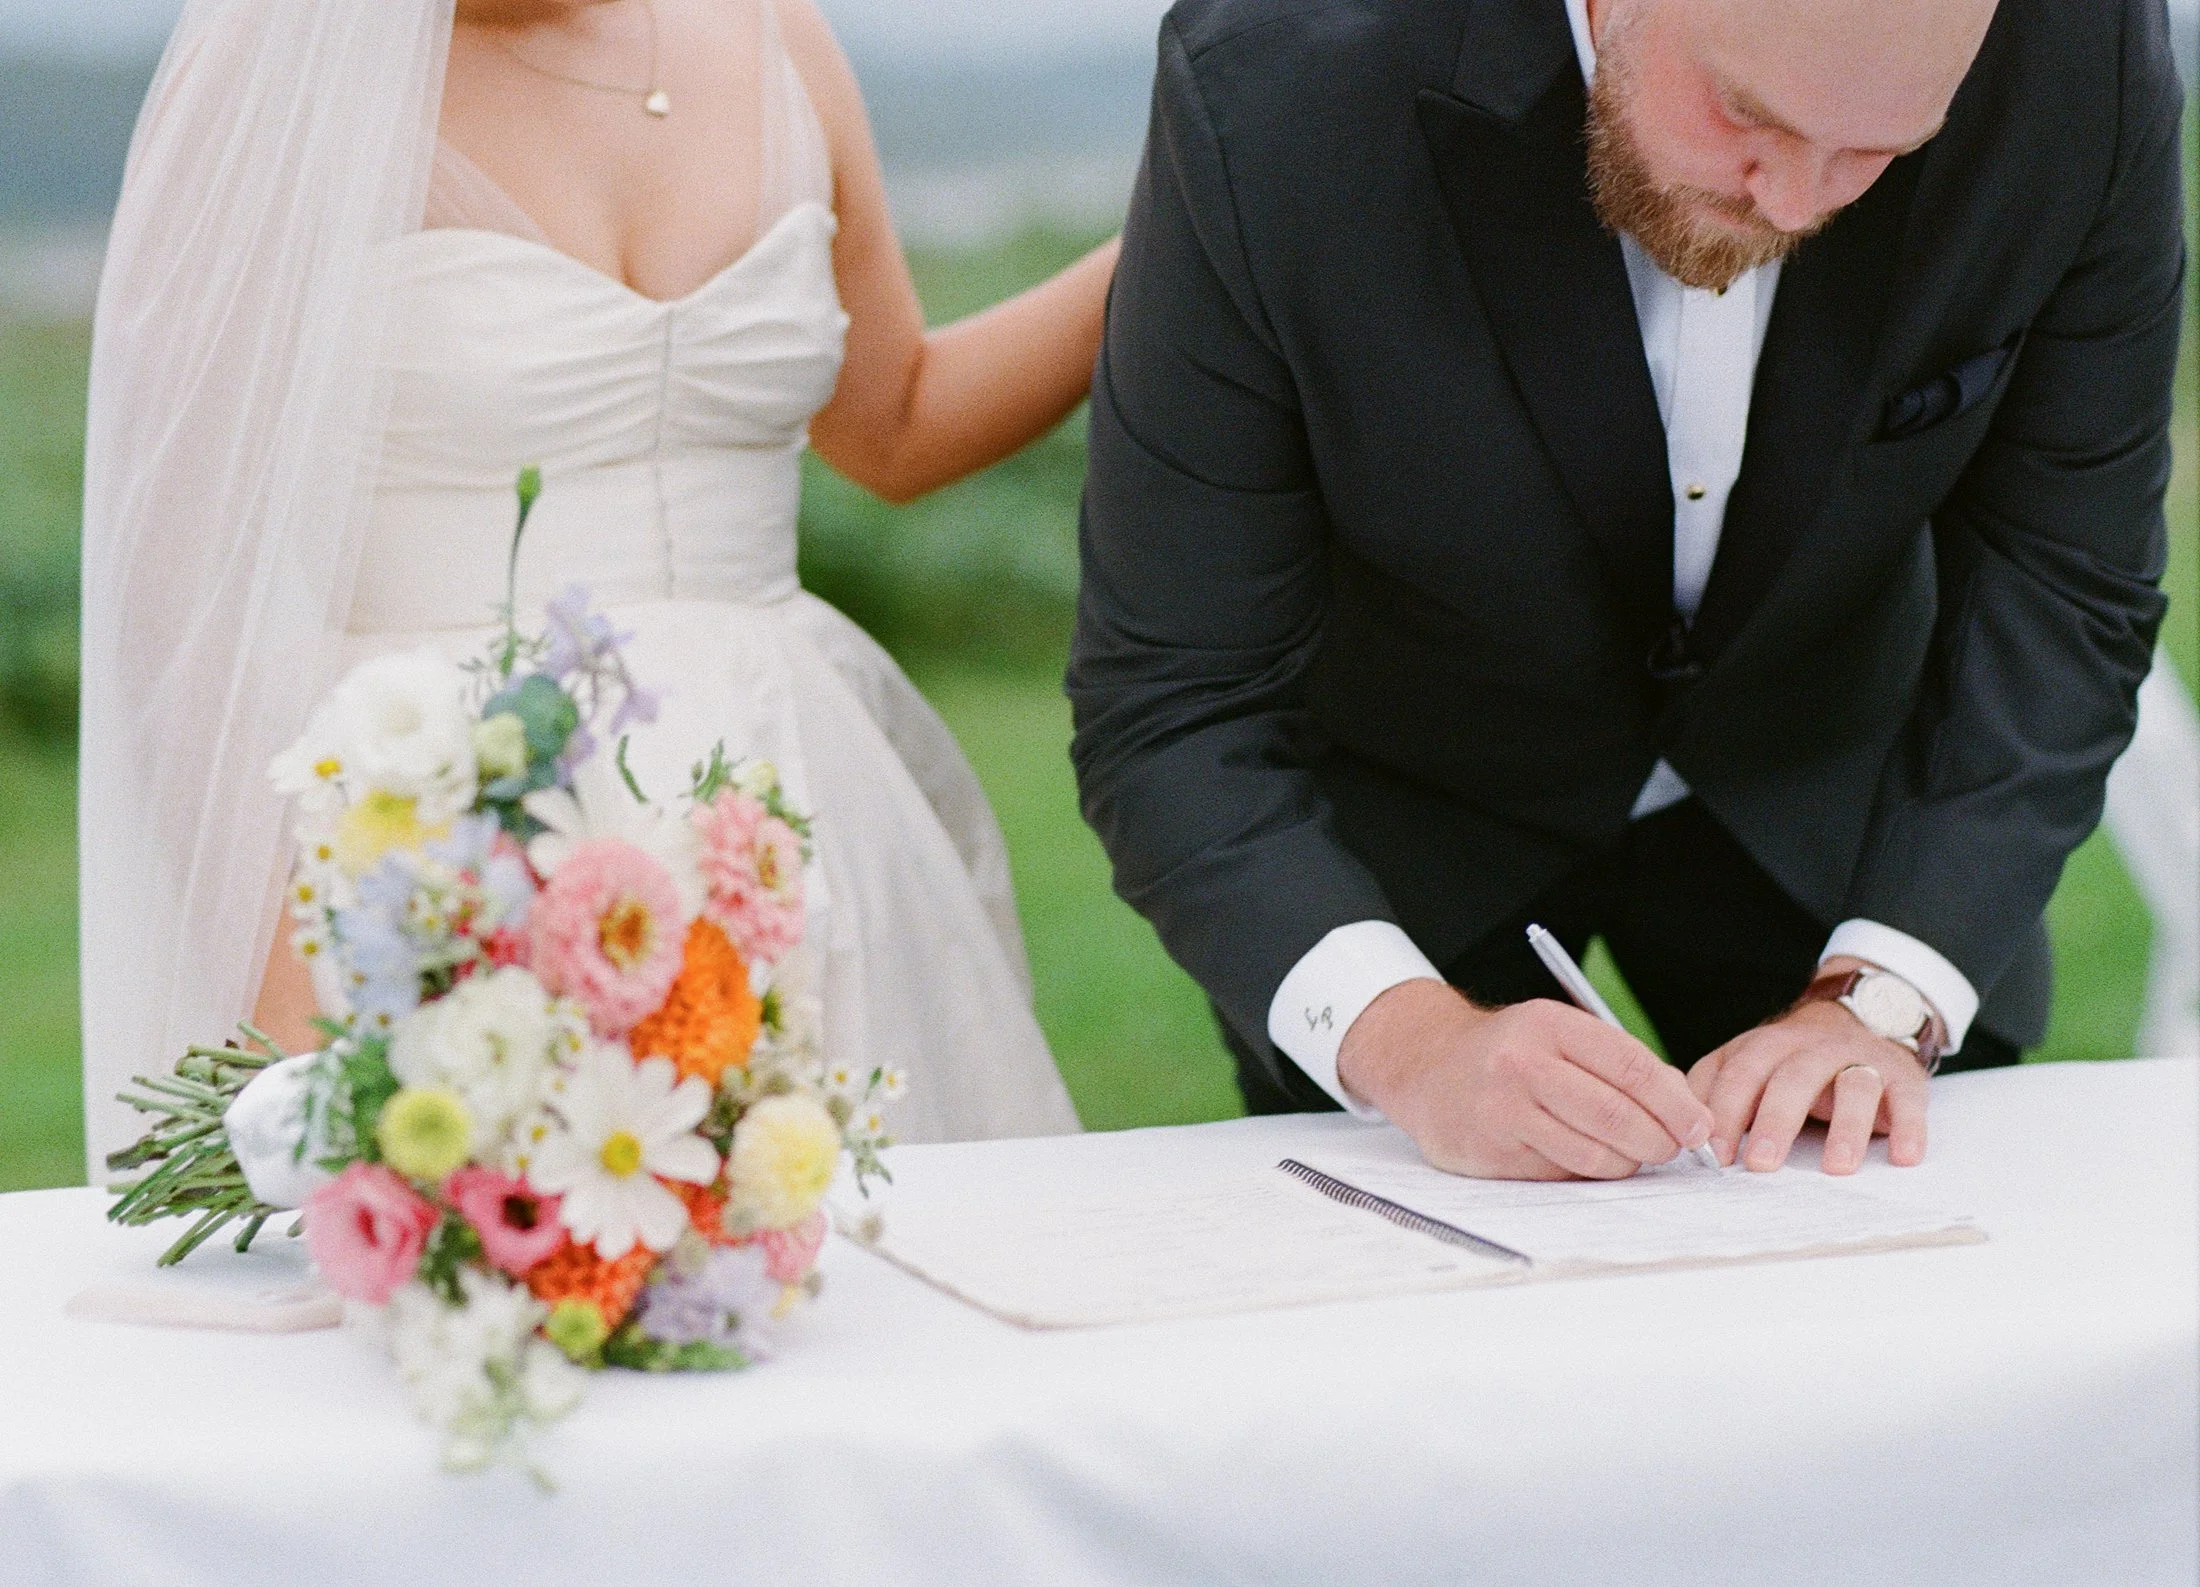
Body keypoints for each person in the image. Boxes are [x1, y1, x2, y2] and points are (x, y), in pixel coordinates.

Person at [1071, 0, 2183, 1179]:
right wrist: (1405, 1040)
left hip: (1845, 813)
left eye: (1878, 152)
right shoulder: (1271, 81)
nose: (1798, 207)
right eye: (1747, 114)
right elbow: (1170, 699)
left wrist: (1885, 996)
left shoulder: (2084, 53)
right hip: (1413, 827)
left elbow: (2065, 588)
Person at [78, 0, 1106, 1171]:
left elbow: (895, 423)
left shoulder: (777, 37)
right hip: (439, 855)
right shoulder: (276, 72)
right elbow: (170, 595)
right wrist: (301, 1006)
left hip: (797, 809)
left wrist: (1195, 227)